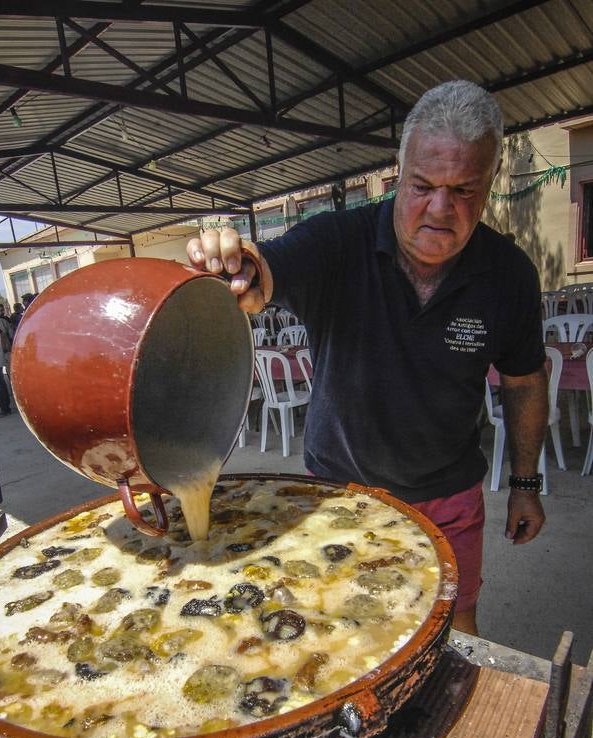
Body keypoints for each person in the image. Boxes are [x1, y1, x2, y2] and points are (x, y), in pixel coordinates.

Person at [186, 80, 548, 636]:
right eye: (423, 185)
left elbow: (524, 382)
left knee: (455, 631)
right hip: (339, 495)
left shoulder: (508, 273)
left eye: (465, 191)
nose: (440, 209)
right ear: (398, 173)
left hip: (449, 498)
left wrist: (525, 485)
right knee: (336, 632)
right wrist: (239, 267)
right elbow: (268, 271)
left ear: (491, 182)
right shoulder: (338, 242)